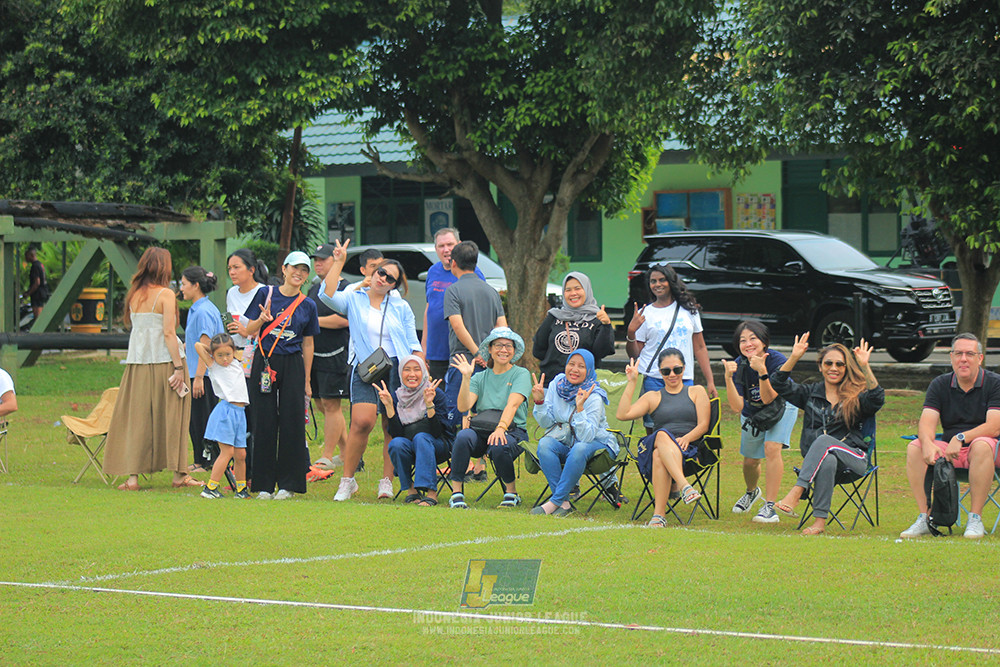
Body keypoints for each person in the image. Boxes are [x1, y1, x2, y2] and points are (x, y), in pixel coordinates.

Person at [319, 239, 422, 502]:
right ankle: (347, 480)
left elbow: (413, 344)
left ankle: (386, 481)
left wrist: (419, 371)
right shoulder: (354, 297)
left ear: (394, 286)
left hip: (396, 369)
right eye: (381, 272)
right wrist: (338, 262)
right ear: (373, 272)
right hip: (366, 368)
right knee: (362, 422)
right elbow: (326, 295)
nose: (383, 278)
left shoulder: (401, 307)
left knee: (390, 425)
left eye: (390, 278)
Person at [103, 247, 199, 491]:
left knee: (138, 418)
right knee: (175, 416)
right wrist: (179, 367)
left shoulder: (135, 294)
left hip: (138, 363)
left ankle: (133, 478)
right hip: (165, 362)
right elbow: (168, 333)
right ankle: (179, 474)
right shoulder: (166, 295)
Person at [770, 334, 884, 535]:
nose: (834, 368)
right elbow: (778, 383)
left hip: (855, 459)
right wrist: (794, 357)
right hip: (820, 462)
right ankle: (819, 523)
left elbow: (877, 399)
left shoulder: (856, 396)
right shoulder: (810, 394)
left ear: (846, 368)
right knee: (828, 458)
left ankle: (797, 491)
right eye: (828, 363)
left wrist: (865, 366)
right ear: (820, 367)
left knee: (824, 441)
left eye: (840, 364)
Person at [901, 333, 1000, 539]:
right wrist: (927, 443)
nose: (963, 359)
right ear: (951, 357)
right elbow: (926, 423)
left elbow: (994, 427)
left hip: (990, 450)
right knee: (915, 447)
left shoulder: (995, 383)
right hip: (951, 452)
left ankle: (975, 518)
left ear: (980, 358)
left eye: (970, 354)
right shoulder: (940, 384)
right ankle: (925, 517)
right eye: (958, 353)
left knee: (982, 444)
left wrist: (961, 437)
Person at [243, 251, 320, 500]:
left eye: (304, 270)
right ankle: (263, 485)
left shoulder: (307, 305)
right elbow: (248, 330)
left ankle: (289, 484)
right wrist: (261, 320)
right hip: (265, 361)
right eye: (295, 268)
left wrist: (307, 380)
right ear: (284, 269)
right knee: (263, 420)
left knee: (292, 421)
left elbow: (308, 343)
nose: (299, 273)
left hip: (293, 363)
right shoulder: (265, 294)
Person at [616, 349, 710, 527]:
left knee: (658, 455)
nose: (672, 374)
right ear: (660, 372)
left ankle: (659, 515)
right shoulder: (653, 397)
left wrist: (687, 438)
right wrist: (632, 382)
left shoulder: (696, 391)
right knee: (661, 434)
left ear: (684, 368)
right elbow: (622, 414)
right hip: (659, 442)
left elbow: (703, 425)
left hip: (687, 449)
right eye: (666, 371)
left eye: (677, 369)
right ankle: (684, 486)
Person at [722, 320, 800, 524]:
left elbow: (768, 398)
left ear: (764, 341)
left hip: (782, 405)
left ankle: (770, 507)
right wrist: (728, 378)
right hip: (753, 412)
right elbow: (737, 407)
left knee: (772, 447)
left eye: (753, 338)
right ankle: (751, 492)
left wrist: (762, 371)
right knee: (750, 461)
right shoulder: (739, 364)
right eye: (742, 340)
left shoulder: (777, 360)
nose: (748, 344)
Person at [625, 264, 717, 434]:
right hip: (654, 378)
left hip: (683, 376)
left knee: (686, 425)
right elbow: (634, 353)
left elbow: (700, 347)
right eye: (653, 281)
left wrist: (710, 381)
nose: (657, 284)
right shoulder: (646, 313)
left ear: (671, 281)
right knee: (654, 429)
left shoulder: (689, 310)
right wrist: (631, 332)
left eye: (662, 280)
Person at [447, 327, 530, 509]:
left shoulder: (521, 374)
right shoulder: (479, 377)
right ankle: (456, 493)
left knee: (499, 443)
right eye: (498, 345)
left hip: (513, 431)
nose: (503, 350)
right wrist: (466, 378)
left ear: (514, 351)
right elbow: (463, 407)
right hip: (482, 430)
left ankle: (511, 493)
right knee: (463, 436)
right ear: (490, 349)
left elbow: (512, 405)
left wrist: (500, 428)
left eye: (508, 346)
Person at [529, 349, 618, 516]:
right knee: (545, 443)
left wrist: (580, 408)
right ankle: (564, 503)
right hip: (566, 442)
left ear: (589, 370)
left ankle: (554, 502)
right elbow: (546, 423)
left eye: (581, 366)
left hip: (598, 445)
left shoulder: (594, 396)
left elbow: (587, 437)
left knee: (580, 448)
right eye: (571, 364)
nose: (575, 369)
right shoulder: (557, 384)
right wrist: (540, 402)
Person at [443, 240, 506, 424]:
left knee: (458, 415)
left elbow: (458, 326)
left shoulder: (453, 291)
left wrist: (477, 353)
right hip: (489, 363)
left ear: (454, 263)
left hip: (462, 361)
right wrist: (489, 355)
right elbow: (502, 327)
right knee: (485, 415)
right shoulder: (492, 292)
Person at [380, 355, 454, 506]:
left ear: (424, 372)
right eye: (407, 370)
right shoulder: (397, 397)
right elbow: (397, 434)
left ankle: (431, 493)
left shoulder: (434, 393)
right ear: (401, 373)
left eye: (416, 369)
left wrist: (429, 405)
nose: (412, 374)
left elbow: (438, 432)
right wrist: (389, 407)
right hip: (411, 446)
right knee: (395, 444)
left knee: (421, 438)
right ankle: (411, 489)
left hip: (438, 446)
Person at [307, 244, 351, 473]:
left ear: (335, 261)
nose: (318, 263)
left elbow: (344, 320)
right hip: (314, 355)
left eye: (323, 259)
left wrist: (313, 322)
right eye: (316, 260)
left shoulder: (346, 288)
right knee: (321, 404)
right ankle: (348, 452)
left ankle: (326, 456)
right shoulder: (314, 289)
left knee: (332, 404)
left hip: (336, 355)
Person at [423, 228, 484, 381]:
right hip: (436, 351)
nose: (446, 250)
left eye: (450, 244)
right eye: (441, 246)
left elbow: (480, 313)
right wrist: (424, 347)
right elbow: (429, 309)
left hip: (462, 352)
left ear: (459, 245)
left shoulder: (472, 273)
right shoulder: (432, 272)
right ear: (436, 249)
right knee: (438, 393)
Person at [193, 334, 251, 499]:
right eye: (220, 355)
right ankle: (210, 488)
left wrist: (226, 352)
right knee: (227, 452)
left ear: (233, 352)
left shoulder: (236, 363)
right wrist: (212, 352)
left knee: (241, 454)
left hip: (240, 413)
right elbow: (198, 345)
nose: (224, 359)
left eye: (227, 354)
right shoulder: (214, 365)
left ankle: (241, 489)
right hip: (226, 412)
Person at [532, 272, 615, 384]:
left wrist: (606, 325)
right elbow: (538, 351)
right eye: (568, 290)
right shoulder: (554, 316)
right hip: (552, 385)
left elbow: (601, 353)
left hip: (584, 387)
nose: (573, 293)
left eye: (577, 288)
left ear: (587, 290)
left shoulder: (597, 319)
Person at [180, 266, 223, 473]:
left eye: (184, 284)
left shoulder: (204, 311)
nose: (181, 288)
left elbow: (205, 346)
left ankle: (208, 461)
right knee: (195, 419)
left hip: (203, 375)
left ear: (195, 285)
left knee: (203, 419)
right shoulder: (197, 309)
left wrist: (198, 377)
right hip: (196, 373)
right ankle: (199, 460)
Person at [225, 248, 269, 351]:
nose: (232, 272)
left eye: (236, 267)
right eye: (229, 268)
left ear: (251, 270)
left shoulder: (264, 292)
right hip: (234, 351)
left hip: (257, 352)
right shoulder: (231, 292)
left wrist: (245, 332)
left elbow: (271, 330)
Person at [23, 246, 49, 319]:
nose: (25, 258)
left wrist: (28, 293)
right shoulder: (40, 264)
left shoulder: (35, 266)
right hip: (42, 293)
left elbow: (37, 282)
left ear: (31, 255)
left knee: (38, 318)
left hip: (37, 295)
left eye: (27, 255)